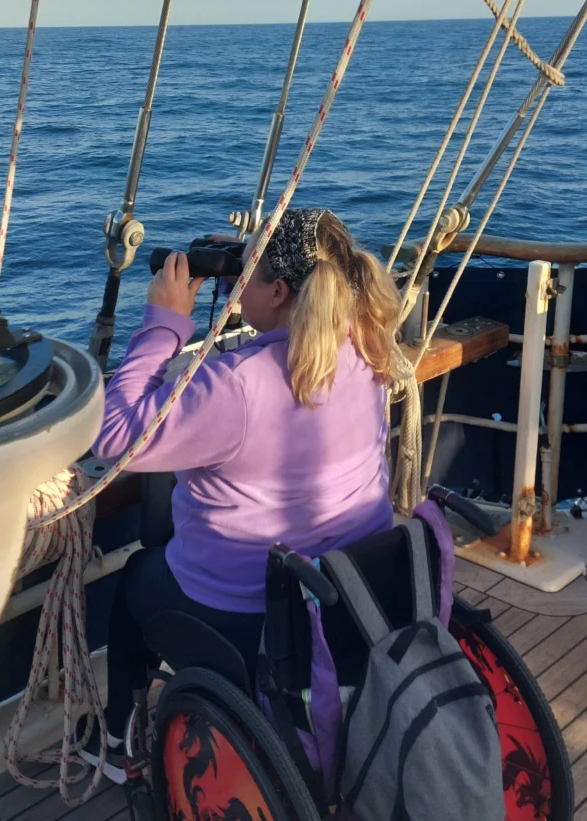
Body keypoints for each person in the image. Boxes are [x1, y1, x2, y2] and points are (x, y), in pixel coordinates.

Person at [82, 208, 404, 782]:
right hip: (344, 601)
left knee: (138, 575)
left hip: (251, 622)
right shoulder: (368, 347)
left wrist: (165, 324)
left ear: (279, 289)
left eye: (246, 271)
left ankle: (116, 740)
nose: (235, 283)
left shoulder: (233, 386)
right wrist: (247, 257)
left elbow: (113, 436)